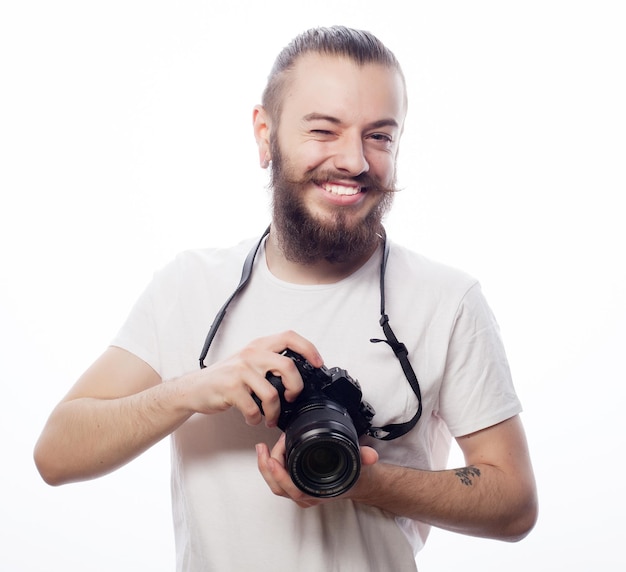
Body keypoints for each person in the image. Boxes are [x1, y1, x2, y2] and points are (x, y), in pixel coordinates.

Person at [34, 25, 537, 571]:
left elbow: (513, 504)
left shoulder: (448, 300)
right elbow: (56, 454)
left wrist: (364, 481)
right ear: (265, 134)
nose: (355, 161)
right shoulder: (189, 286)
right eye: (324, 130)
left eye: (380, 136)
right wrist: (194, 389)